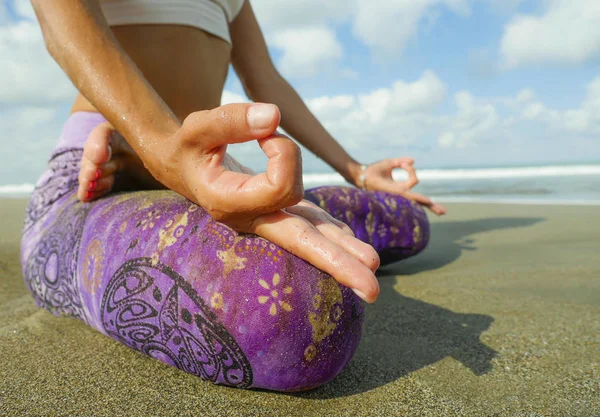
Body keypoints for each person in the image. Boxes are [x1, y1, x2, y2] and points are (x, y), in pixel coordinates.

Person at [21, 0, 446, 391]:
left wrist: (356, 171)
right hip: (94, 174)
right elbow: (63, 23)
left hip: (193, 174)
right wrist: (155, 144)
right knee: (292, 316)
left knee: (404, 219)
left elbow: (266, 80)